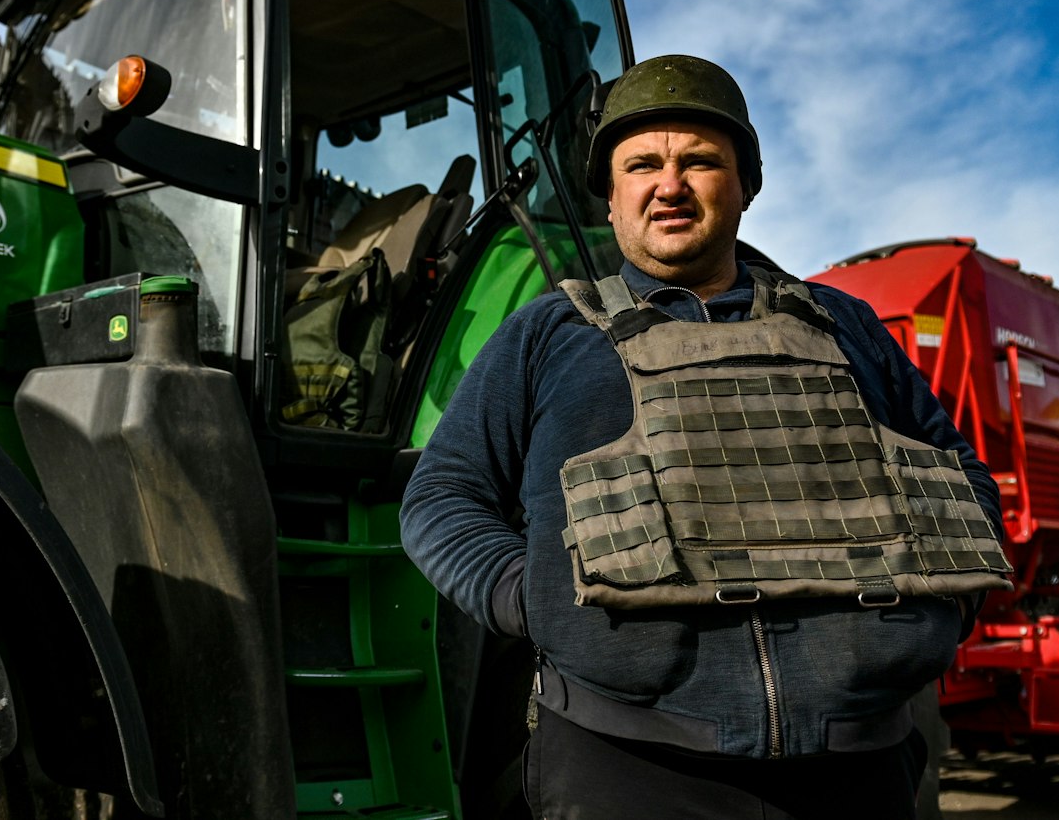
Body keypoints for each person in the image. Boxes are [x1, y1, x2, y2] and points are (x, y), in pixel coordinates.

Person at [400, 54, 1010, 819]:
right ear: (613, 198)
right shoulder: (546, 334)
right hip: (625, 765)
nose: (670, 184)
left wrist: (942, 611)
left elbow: (962, 477)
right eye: (643, 165)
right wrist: (536, 601)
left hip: (855, 766)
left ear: (745, 185)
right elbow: (440, 498)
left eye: (700, 161)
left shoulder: (843, 325)